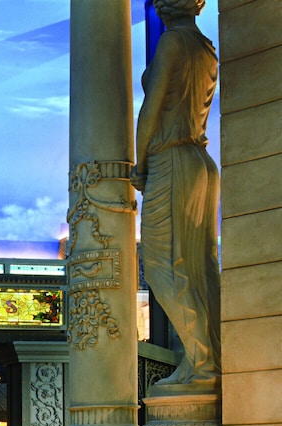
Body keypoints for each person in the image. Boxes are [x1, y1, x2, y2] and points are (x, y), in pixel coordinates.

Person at [131, 0, 220, 387]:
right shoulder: (205, 47)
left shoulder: (172, 43)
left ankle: (202, 363)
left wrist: (140, 161)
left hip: (170, 159)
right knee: (201, 266)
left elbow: (151, 108)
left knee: (164, 265)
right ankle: (206, 359)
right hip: (199, 159)